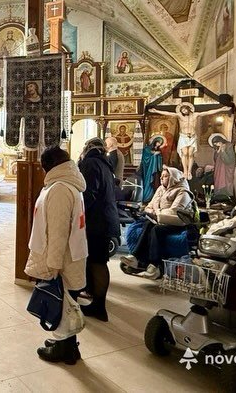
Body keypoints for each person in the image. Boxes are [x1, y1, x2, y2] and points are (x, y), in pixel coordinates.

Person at [25, 146, 88, 364]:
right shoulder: (66, 183)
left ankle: (65, 350)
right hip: (71, 255)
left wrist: (53, 266)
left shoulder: (60, 188)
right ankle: (67, 344)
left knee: (63, 303)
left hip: (63, 259)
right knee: (66, 301)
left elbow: (58, 232)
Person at [122, 166, 195, 279]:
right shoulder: (161, 189)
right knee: (147, 223)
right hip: (159, 219)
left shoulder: (183, 191)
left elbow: (175, 211)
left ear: (173, 178)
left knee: (156, 229)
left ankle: (155, 264)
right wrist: (152, 213)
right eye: (161, 176)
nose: (161, 179)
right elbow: (149, 206)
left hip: (176, 222)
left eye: (165, 176)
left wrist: (157, 213)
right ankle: (136, 258)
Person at [77, 138, 119, 321]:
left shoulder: (91, 163)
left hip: (97, 222)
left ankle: (99, 306)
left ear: (87, 148)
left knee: (98, 262)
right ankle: (94, 295)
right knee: (96, 261)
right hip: (104, 219)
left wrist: (77, 212)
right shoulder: (104, 163)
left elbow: (88, 193)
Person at [148, 101, 231, 180]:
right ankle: (185, 171)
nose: (183, 112)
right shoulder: (180, 116)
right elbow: (169, 113)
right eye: (182, 111)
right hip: (183, 136)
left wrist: (221, 109)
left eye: (184, 110)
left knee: (190, 154)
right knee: (184, 154)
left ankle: (189, 171)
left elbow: (207, 112)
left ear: (188, 109)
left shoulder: (195, 115)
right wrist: (156, 111)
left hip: (192, 137)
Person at [138, 136, 164, 203]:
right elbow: (145, 159)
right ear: (155, 141)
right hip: (148, 170)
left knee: (156, 182)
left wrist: (158, 155)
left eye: (160, 143)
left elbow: (160, 160)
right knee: (148, 182)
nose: (159, 144)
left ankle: (154, 198)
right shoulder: (147, 149)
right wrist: (154, 155)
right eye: (158, 142)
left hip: (155, 170)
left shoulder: (159, 150)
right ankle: (147, 197)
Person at [210, 133, 236, 199]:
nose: (217, 145)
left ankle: (226, 197)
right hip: (218, 170)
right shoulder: (217, 148)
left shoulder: (229, 146)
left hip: (226, 171)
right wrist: (218, 151)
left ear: (220, 140)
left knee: (225, 185)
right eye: (215, 144)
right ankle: (218, 196)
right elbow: (215, 159)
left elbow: (230, 160)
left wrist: (223, 151)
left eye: (217, 143)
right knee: (218, 185)